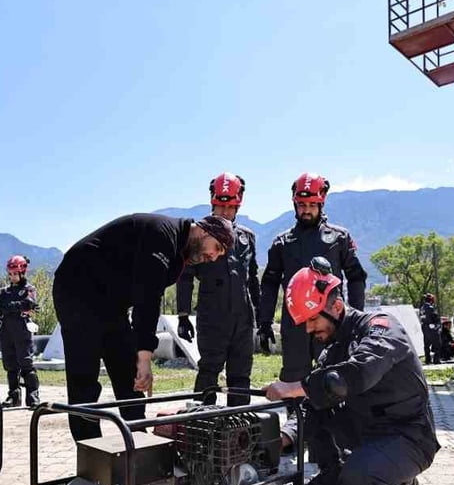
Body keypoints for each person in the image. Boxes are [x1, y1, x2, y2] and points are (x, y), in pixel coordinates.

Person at [265, 258, 439, 485]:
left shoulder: (382, 328)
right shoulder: (334, 348)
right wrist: (284, 438)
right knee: (317, 402)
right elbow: (312, 403)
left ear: (335, 306)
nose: (309, 329)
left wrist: (293, 387)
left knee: (359, 481)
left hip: (408, 436)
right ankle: (333, 474)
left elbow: (356, 374)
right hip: (369, 432)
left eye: (312, 320)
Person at [52, 213, 232, 441]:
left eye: (219, 254)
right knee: (84, 380)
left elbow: (143, 299)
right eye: (216, 247)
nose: (213, 256)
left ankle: (138, 448)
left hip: (111, 303)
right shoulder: (163, 235)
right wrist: (146, 357)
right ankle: (91, 455)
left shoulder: (178, 253)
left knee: (131, 375)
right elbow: (147, 300)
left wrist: (141, 359)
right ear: (203, 230)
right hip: (76, 289)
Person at [258, 173, 367, 382]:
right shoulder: (282, 242)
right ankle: (295, 416)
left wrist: (356, 317)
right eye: (301, 204)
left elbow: (356, 277)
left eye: (312, 204)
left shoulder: (339, 238)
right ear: (294, 205)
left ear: (321, 203)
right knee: (294, 381)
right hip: (295, 323)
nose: (306, 209)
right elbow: (270, 284)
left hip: (330, 322)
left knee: (333, 379)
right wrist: (264, 322)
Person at [176, 173, 261, 406]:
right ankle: (201, 425)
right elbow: (185, 278)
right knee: (209, 371)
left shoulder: (247, 237)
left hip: (243, 318)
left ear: (238, 206)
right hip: (212, 317)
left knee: (241, 375)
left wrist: (263, 320)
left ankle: (240, 428)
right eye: (220, 206)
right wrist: (183, 316)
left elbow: (252, 279)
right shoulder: (198, 234)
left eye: (230, 207)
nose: (224, 212)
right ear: (212, 203)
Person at [0, 254, 40, 407]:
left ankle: (33, 396)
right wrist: (16, 306)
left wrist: (11, 307)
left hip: (22, 330)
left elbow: (29, 304)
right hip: (6, 330)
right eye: (10, 274)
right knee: (10, 365)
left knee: (26, 362)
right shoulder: (5, 291)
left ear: (22, 272)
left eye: (15, 274)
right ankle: (14, 396)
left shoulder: (29, 289)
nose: (12, 277)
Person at [418, 293, 440, 364]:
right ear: (431, 300)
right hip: (432, 328)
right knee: (437, 344)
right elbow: (435, 317)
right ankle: (436, 360)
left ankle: (428, 360)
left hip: (425, 328)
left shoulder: (422, 308)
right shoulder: (430, 308)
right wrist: (437, 325)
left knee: (426, 345)